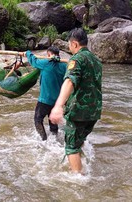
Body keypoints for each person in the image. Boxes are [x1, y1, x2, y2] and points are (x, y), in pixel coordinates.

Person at [49, 28, 102, 173]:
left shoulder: (77, 59)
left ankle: (78, 180)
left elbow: (69, 81)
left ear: (75, 44)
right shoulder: (96, 60)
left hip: (79, 111)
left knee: (71, 146)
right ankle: (82, 164)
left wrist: (58, 106)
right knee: (79, 139)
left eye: (70, 45)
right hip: (94, 111)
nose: (70, 48)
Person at [20, 46, 67, 141]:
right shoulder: (64, 66)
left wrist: (28, 53)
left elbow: (33, 61)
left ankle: (43, 140)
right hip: (57, 101)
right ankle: (55, 138)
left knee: (37, 119)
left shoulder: (45, 63)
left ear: (49, 54)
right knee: (53, 120)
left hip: (45, 100)